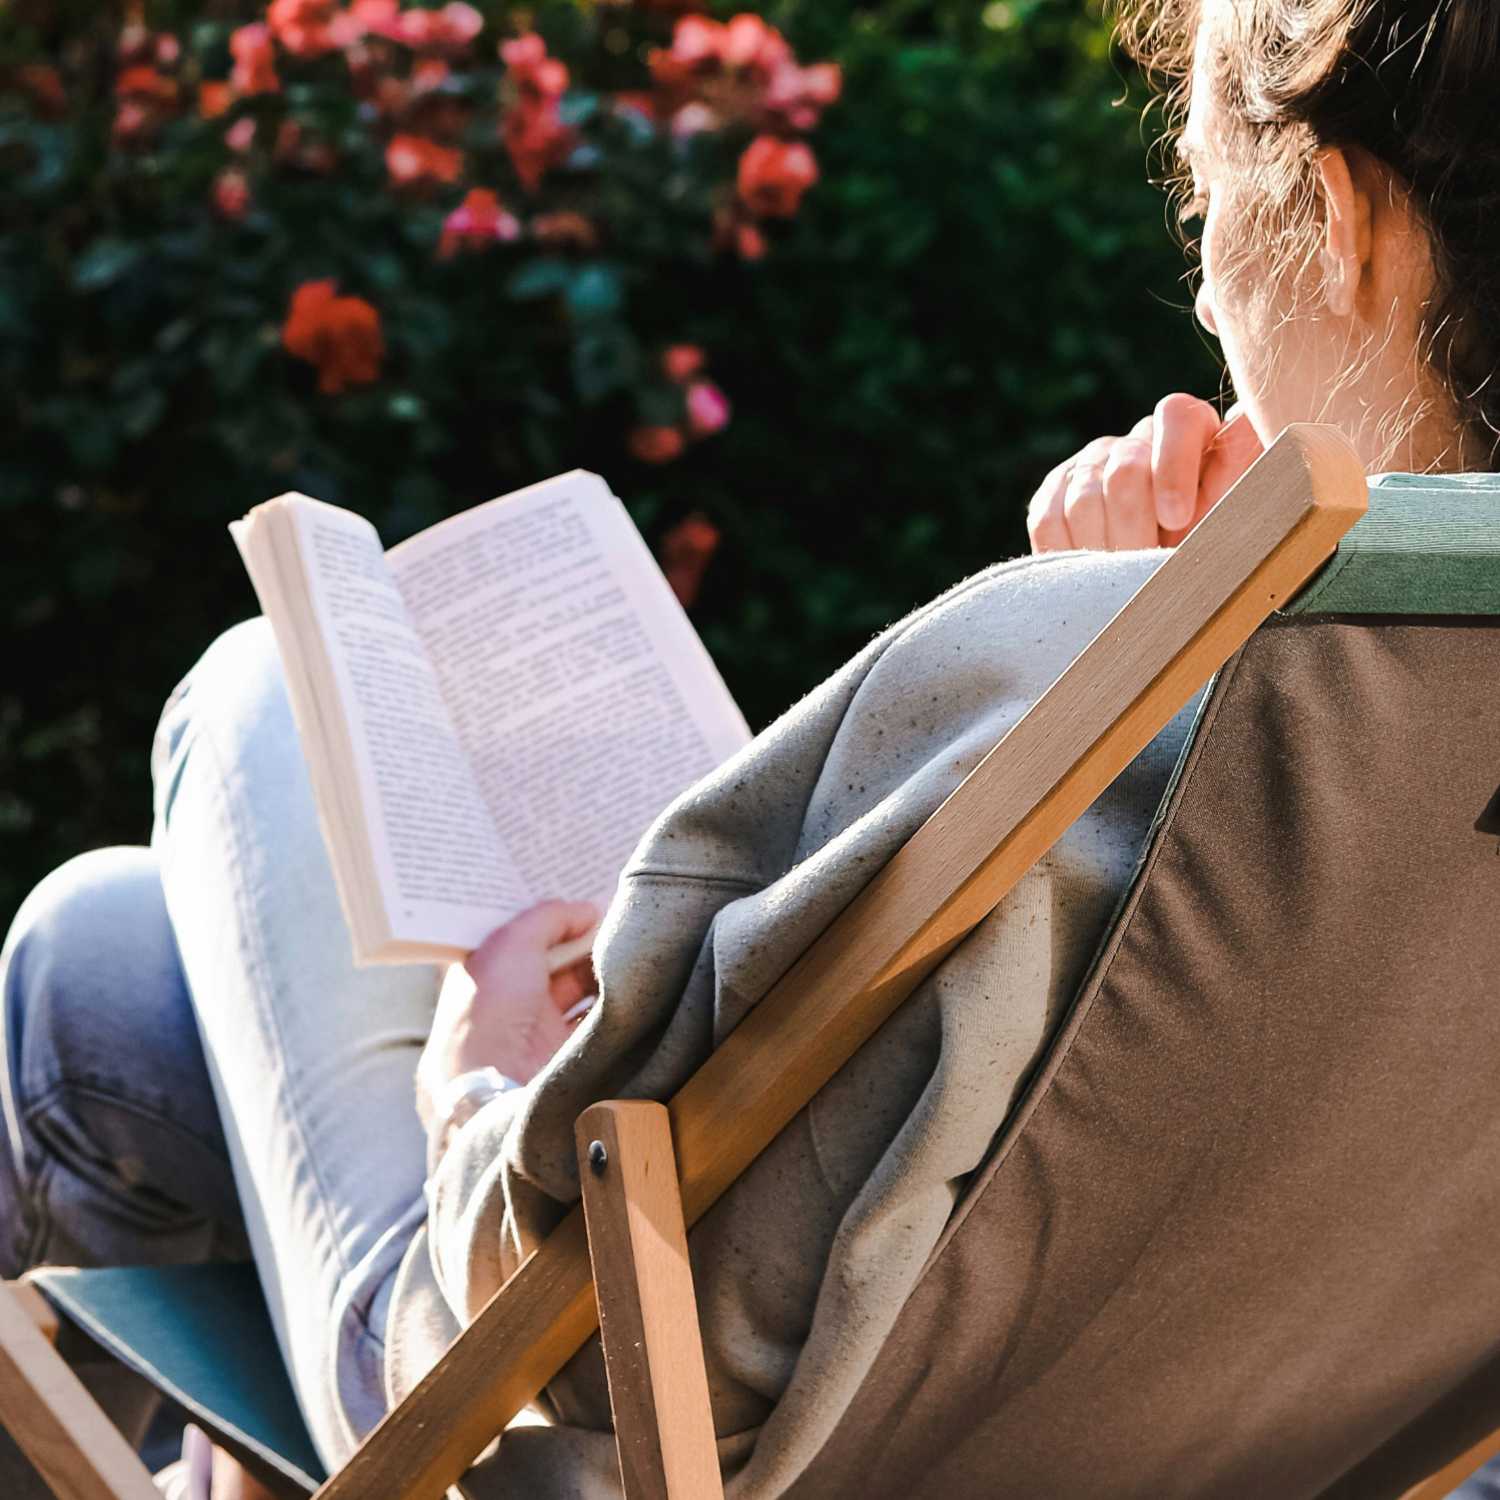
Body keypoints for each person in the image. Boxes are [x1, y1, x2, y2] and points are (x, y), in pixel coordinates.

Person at [3, 0, 1499, 1494]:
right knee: (104, 964)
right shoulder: (1371, 750)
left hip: (606, 1433)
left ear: (1341, 215)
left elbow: (600, 1267)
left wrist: (473, 1086)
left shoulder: (1095, 684)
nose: (1211, 300)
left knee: (251, 690)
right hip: (1207, 1442)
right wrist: (1149, 644)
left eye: (1211, 214)